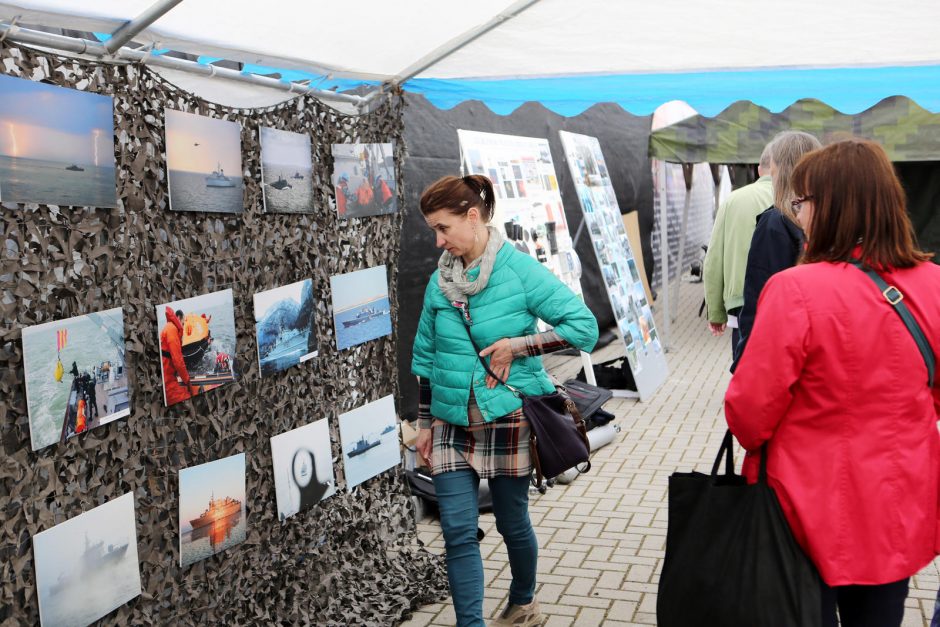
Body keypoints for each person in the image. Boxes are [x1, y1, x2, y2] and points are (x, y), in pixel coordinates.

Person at [724, 138, 940, 627]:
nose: (798, 215)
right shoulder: (935, 284)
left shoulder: (796, 289)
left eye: (801, 202)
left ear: (831, 207)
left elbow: (749, 412)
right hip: (896, 505)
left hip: (804, 511)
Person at [412, 175, 598, 627]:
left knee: (512, 522)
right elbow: (426, 355)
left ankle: (523, 602)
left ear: (472, 217)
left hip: (508, 417)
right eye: (433, 231)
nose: (438, 240)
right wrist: (424, 422)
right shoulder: (440, 283)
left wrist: (519, 346)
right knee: (457, 531)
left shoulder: (518, 271)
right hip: (450, 423)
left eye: (443, 228)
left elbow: (584, 327)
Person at [732, 130, 822, 369]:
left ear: (780, 171)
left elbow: (758, 299)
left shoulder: (775, 224)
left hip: (782, 355)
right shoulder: (828, 222)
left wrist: (744, 362)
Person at [703, 141, 775, 355]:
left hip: (740, 299)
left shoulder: (733, 200)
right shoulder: (799, 199)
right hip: (784, 299)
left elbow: (714, 260)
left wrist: (715, 312)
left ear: (758, 169)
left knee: (744, 364)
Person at [160, 307, 197, 405]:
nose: (184, 326)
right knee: (188, 399)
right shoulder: (172, 330)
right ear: (178, 317)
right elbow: (178, 361)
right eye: (183, 323)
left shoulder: (168, 327)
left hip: (168, 375)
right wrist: (187, 380)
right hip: (166, 380)